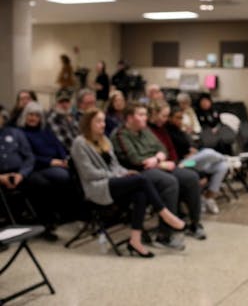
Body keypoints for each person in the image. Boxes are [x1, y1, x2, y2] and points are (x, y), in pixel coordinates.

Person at [71, 108, 187, 258]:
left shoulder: (104, 140)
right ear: (88, 123)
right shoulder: (80, 143)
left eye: (104, 121)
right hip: (96, 187)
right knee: (142, 179)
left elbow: (115, 165)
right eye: (98, 121)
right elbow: (89, 173)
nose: (103, 124)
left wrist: (124, 173)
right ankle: (165, 214)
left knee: (140, 192)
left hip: (111, 182)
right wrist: (117, 176)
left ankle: (135, 241)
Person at [111, 102, 206, 242]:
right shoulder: (120, 134)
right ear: (130, 118)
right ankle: (165, 234)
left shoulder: (146, 131)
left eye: (145, 114)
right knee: (169, 182)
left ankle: (194, 224)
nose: (145, 118)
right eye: (141, 115)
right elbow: (136, 160)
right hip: (139, 172)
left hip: (159, 165)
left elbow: (162, 148)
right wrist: (160, 162)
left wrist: (157, 159)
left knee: (191, 177)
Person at [150, 102, 228, 215]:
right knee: (208, 152)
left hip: (192, 161)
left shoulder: (180, 130)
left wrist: (192, 149)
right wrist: (188, 153)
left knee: (222, 166)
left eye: (181, 118)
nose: (180, 120)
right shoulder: (167, 130)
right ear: (170, 118)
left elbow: (192, 145)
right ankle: (226, 158)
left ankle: (208, 198)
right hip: (183, 163)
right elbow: (173, 150)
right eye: (177, 118)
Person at [0, 108, 59, 240]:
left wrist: (21, 174)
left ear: (3, 118)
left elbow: (29, 157)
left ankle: (45, 225)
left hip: (21, 172)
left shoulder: (16, 133)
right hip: (1, 175)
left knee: (42, 184)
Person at [19, 101, 78, 222]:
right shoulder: (21, 133)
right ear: (25, 116)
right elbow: (29, 156)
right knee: (63, 176)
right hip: (38, 166)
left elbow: (58, 145)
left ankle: (73, 211)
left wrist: (64, 159)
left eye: (37, 115)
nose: (33, 118)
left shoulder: (45, 130)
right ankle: (62, 213)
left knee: (76, 171)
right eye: (30, 115)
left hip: (57, 162)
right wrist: (50, 161)